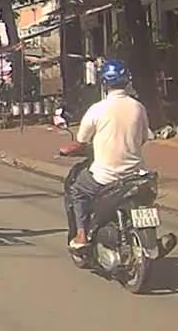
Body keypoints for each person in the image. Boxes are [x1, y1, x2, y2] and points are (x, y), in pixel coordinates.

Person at [59, 59, 150, 250]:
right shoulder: (138, 107)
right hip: (136, 174)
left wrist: (67, 150)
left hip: (105, 176)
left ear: (104, 83)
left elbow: (81, 142)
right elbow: (143, 138)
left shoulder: (97, 109)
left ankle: (81, 235)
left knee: (77, 189)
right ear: (127, 81)